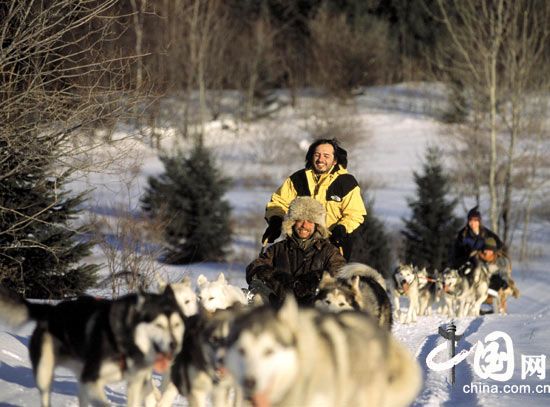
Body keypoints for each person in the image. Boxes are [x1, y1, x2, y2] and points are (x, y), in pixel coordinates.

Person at [261, 138, 367, 260]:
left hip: (333, 246)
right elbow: (278, 202)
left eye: (326, 156)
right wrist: (275, 221)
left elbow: (355, 214)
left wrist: (342, 228)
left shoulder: (346, 182)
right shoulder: (297, 179)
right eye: (317, 155)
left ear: (335, 160)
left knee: (331, 278)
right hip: (299, 246)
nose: (321, 159)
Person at [247, 196, 346, 306]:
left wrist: (316, 279)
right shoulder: (277, 249)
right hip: (279, 310)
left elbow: (341, 274)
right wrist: (277, 279)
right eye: (300, 220)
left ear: (317, 225)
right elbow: (254, 269)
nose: (304, 225)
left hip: (316, 314)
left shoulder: (329, 251)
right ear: (292, 222)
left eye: (310, 221)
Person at [476, 237, 520, 313]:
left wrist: (504, 282)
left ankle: (500, 311)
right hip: (481, 286)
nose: (487, 251)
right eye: (486, 249)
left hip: (497, 286)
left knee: (501, 287)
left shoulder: (501, 260)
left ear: (494, 251)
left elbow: (505, 274)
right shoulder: (478, 259)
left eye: (490, 249)